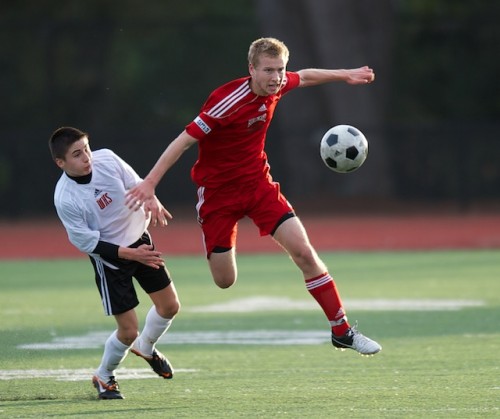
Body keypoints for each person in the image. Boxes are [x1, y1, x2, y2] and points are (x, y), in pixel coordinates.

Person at [126, 37, 381, 355]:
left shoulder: (279, 84)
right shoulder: (227, 101)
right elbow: (183, 141)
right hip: (218, 195)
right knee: (224, 280)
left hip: (259, 186)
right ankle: (149, 335)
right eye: (268, 70)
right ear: (252, 69)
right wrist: (149, 184)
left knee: (304, 253)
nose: (276, 77)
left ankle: (341, 330)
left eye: (280, 70)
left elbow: (307, 75)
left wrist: (345, 73)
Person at [49, 126, 181, 400]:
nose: (86, 157)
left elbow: (138, 184)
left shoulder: (107, 158)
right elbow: (88, 243)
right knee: (128, 330)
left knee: (169, 306)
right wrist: (132, 255)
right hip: (111, 260)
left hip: (140, 240)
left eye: (86, 148)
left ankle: (147, 347)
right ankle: (105, 376)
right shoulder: (66, 197)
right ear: (60, 163)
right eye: (77, 154)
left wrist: (153, 200)